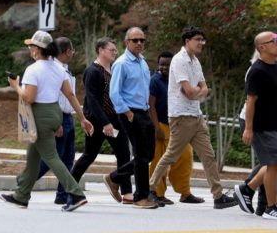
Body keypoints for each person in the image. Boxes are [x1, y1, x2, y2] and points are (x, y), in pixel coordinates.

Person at [0, 31, 93, 211]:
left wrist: (15, 86)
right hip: (54, 112)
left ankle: (75, 194)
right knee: (33, 157)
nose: (29, 49)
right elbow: (70, 95)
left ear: (37, 49)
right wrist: (82, 118)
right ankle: (21, 195)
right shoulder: (59, 68)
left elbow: (29, 98)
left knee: (51, 157)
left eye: (31, 46)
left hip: (39, 115)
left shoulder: (33, 69)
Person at [147, 28, 238, 209]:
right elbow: (189, 91)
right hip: (181, 117)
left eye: (203, 40)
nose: (201, 43)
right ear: (187, 41)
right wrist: (199, 92)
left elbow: (201, 88)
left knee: (208, 156)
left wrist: (198, 92)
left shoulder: (195, 62)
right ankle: (150, 190)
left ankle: (218, 196)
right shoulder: (179, 61)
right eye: (198, 39)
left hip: (196, 116)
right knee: (171, 155)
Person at [235, 32, 277, 221]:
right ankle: (270, 207)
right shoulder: (257, 71)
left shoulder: (275, 67)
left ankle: (247, 188)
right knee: (273, 163)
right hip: (261, 125)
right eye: (274, 42)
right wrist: (249, 128)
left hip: (276, 123)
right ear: (262, 47)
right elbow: (251, 101)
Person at [69, 37, 133, 204]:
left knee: (124, 154)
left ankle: (127, 193)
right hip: (98, 121)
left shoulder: (113, 69)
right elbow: (93, 100)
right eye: (111, 49)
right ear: (101, 50)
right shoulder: (93, 71)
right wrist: (105, 123)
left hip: (115, 119)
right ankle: (69, 188)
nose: (115, 52)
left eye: (115, 50)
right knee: (89, 155)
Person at [107, 27, 158, 209]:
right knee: (141, 156)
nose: (139, 43)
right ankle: (140, 197)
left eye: (142, 40)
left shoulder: (143, 62)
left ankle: (115, 177)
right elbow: (114, 93)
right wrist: (128, 113)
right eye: (135, 40)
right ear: (126, 42)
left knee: (149, 154)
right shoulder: (121, 63)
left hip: (144, 112)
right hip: (130, 113)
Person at [147, 51, 196, 206]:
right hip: (161, 125)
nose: (164, 67)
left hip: (179, 125)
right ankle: (156, 193)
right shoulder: (155, 81)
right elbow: (151, 106)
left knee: (186, 156)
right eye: (161, 64)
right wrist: (156, 128)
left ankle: (184, 193)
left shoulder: (180, 81)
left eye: (167, 64)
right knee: (159, 160)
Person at [35, 37, 77, 205]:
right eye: (72, 51)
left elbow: (70, 96)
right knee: (53, 158)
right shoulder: (54, 70)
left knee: (68, 158)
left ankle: (62, 194)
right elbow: (51, 97)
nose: (73, 54)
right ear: (67, 52)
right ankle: (25, 181)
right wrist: (57, 122)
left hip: (68, 117)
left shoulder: (64, 69)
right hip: (59, 117)